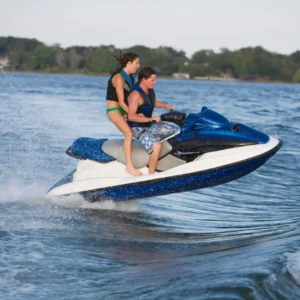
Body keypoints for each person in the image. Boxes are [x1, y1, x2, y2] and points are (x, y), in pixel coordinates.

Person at [127, 66, 178, 174]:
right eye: (152, 80)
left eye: (155, 80)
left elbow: (152, 101)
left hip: (150, 125)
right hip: (138, 128)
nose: (155, 82)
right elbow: (130, 116)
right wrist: (150, 119)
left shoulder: (149, 91)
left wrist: (166, 106)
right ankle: (151, 174)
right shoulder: (135, 94)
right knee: (157, 146)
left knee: (176, 131)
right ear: (144, 80)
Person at [106, 52, 142, 176]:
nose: (138, 65)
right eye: (137, 63)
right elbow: (121, 102)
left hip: (124, 110)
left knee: (143, 126)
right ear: (129, 63)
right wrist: (133, 114)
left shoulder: (130, 77)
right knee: (128, 133)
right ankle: (129, 166)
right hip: (114, 111)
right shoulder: (119, 78)